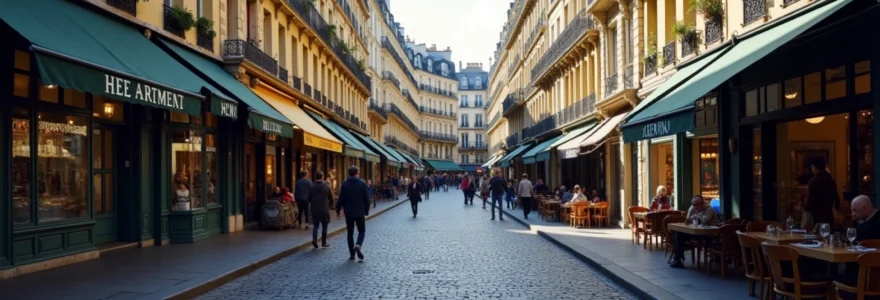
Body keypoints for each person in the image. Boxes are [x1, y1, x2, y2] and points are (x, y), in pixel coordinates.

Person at [670, 195, 720, 268]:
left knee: (679, 235)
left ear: (702, 203)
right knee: (678, 234)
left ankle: (677, 258)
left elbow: (705, 221)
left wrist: (696, 216)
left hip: (711, 235)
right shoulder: (693, 208)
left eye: (696, 205)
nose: (695, 207)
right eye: (693, 205)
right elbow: (688, 220)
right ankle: (678, 259)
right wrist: (691, 209)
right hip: (698, 233)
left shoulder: (709, 209)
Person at [336, 166, 370, 261]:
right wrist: (366, 211)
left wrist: (338, 210)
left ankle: (352, 254)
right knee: (362, 231)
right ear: (357, 173)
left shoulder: (345, 184)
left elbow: (341, 199)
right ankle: (358, 245)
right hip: (359, 212)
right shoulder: (362, 184)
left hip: (349, 212)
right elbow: (367, 200)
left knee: (350, 233)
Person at [803, 157, 840, 229]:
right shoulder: (831, 181)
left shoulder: (813, 182)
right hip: (829, 216)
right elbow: (837, 200)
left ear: (814, 167)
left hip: (816, 218)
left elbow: (810, 202)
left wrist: (805, 208)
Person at [309, 171, 333, 249]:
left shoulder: (312, 186)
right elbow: (331, 197)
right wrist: (332, 205)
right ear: (322, 177)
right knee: (325, 226)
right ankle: (323, 242)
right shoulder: (327, 186)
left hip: (315, 209)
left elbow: (308, 198)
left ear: (315, 177)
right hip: (325, 209)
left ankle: (315, 240)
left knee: (315, 225)